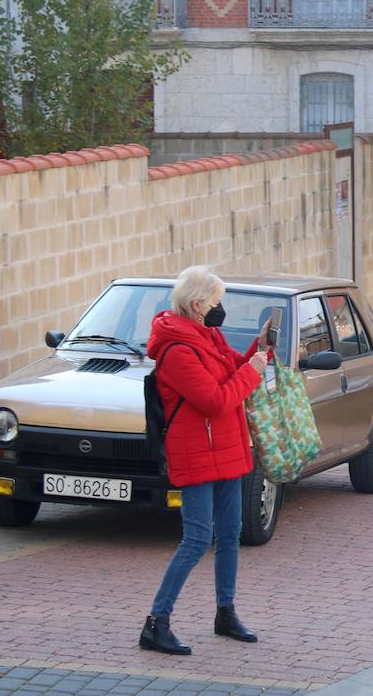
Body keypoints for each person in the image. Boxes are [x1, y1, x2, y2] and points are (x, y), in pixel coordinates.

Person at [139, 265, 269, 656]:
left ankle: (225, 613)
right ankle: (156, 623)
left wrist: (258, 350)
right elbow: (214, 400)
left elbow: (233, 370)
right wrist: (253, 372)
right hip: (197, 452)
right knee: (196, 540)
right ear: (197, 305)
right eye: (216, 303)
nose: (220, 309)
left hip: (227, 449)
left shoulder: (208, 333)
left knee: (230, 535)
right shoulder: (177, 350)